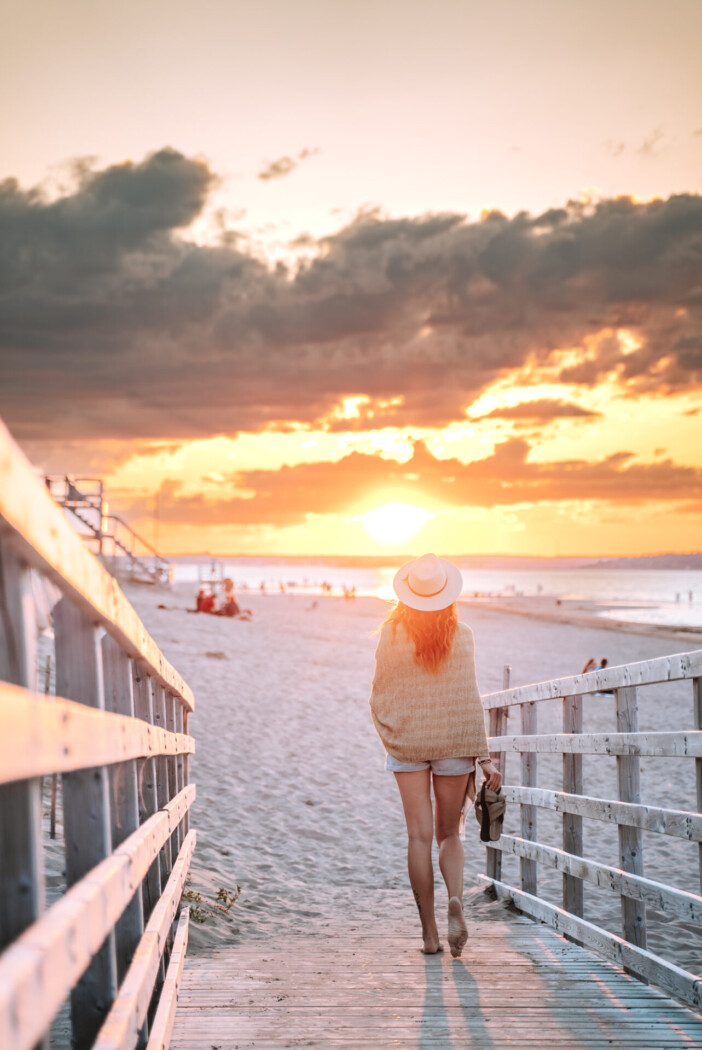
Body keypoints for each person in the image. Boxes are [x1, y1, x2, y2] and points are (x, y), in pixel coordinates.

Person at [369, 553, 502, 958]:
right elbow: (468, 698)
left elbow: (379, 693)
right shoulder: (463, 635)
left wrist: (392, 733)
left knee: (418, 836)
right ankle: (456, 899)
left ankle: (429, 935)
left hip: (408, 744)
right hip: (453, 745)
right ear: (448, 595)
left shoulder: (390, 636)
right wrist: (483, 757)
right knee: (450, 833)